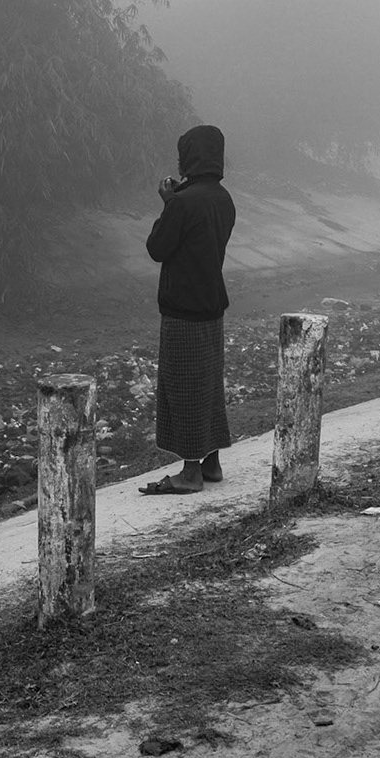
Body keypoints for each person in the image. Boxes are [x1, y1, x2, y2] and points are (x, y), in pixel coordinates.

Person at [138, 124, 236, 495]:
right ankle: (211, 463)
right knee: (208, 385)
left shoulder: (181, 202)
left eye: (183, 155)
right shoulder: (223, 199)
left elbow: (157, 248)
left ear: (191, 157)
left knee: (184, 387)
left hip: (183, 310)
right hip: (212, 304)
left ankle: (190, 473)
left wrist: (167, 204)